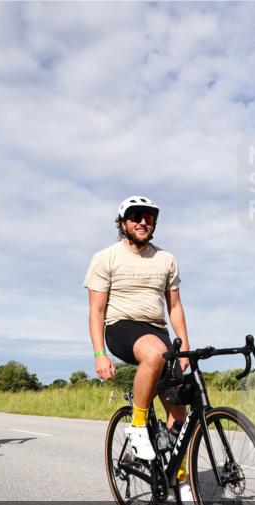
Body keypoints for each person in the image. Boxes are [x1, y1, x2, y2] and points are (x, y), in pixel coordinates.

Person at [83, 195, 191, 466]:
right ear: (123, 223)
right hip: (121, 327)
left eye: (149, 217)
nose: (143, 222)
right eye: (136, 217)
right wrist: (99, 354)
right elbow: (96, 311)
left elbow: (175, 307)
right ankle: (138, 426)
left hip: (158, 330)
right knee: (154, 353)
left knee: (180, 412)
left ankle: (176, 476)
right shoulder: (105, 257)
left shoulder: (166, 259)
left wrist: (185, 345)